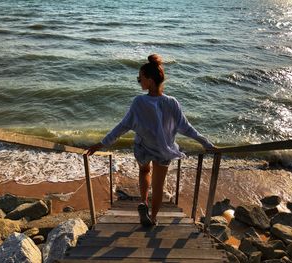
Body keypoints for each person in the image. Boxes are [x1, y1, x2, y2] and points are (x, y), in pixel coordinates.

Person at [86, 54, 215, 226]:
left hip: (144, 148)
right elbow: (186, 127)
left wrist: (102, 143)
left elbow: (122, 127)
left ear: (149, 80)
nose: (139, 81)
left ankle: (144, 202)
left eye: (140, 78)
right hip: (164, 150)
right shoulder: (172, 102)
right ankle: (153, 218)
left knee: (144, 171)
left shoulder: (139, 102)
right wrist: (206, 143)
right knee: (159, 187)